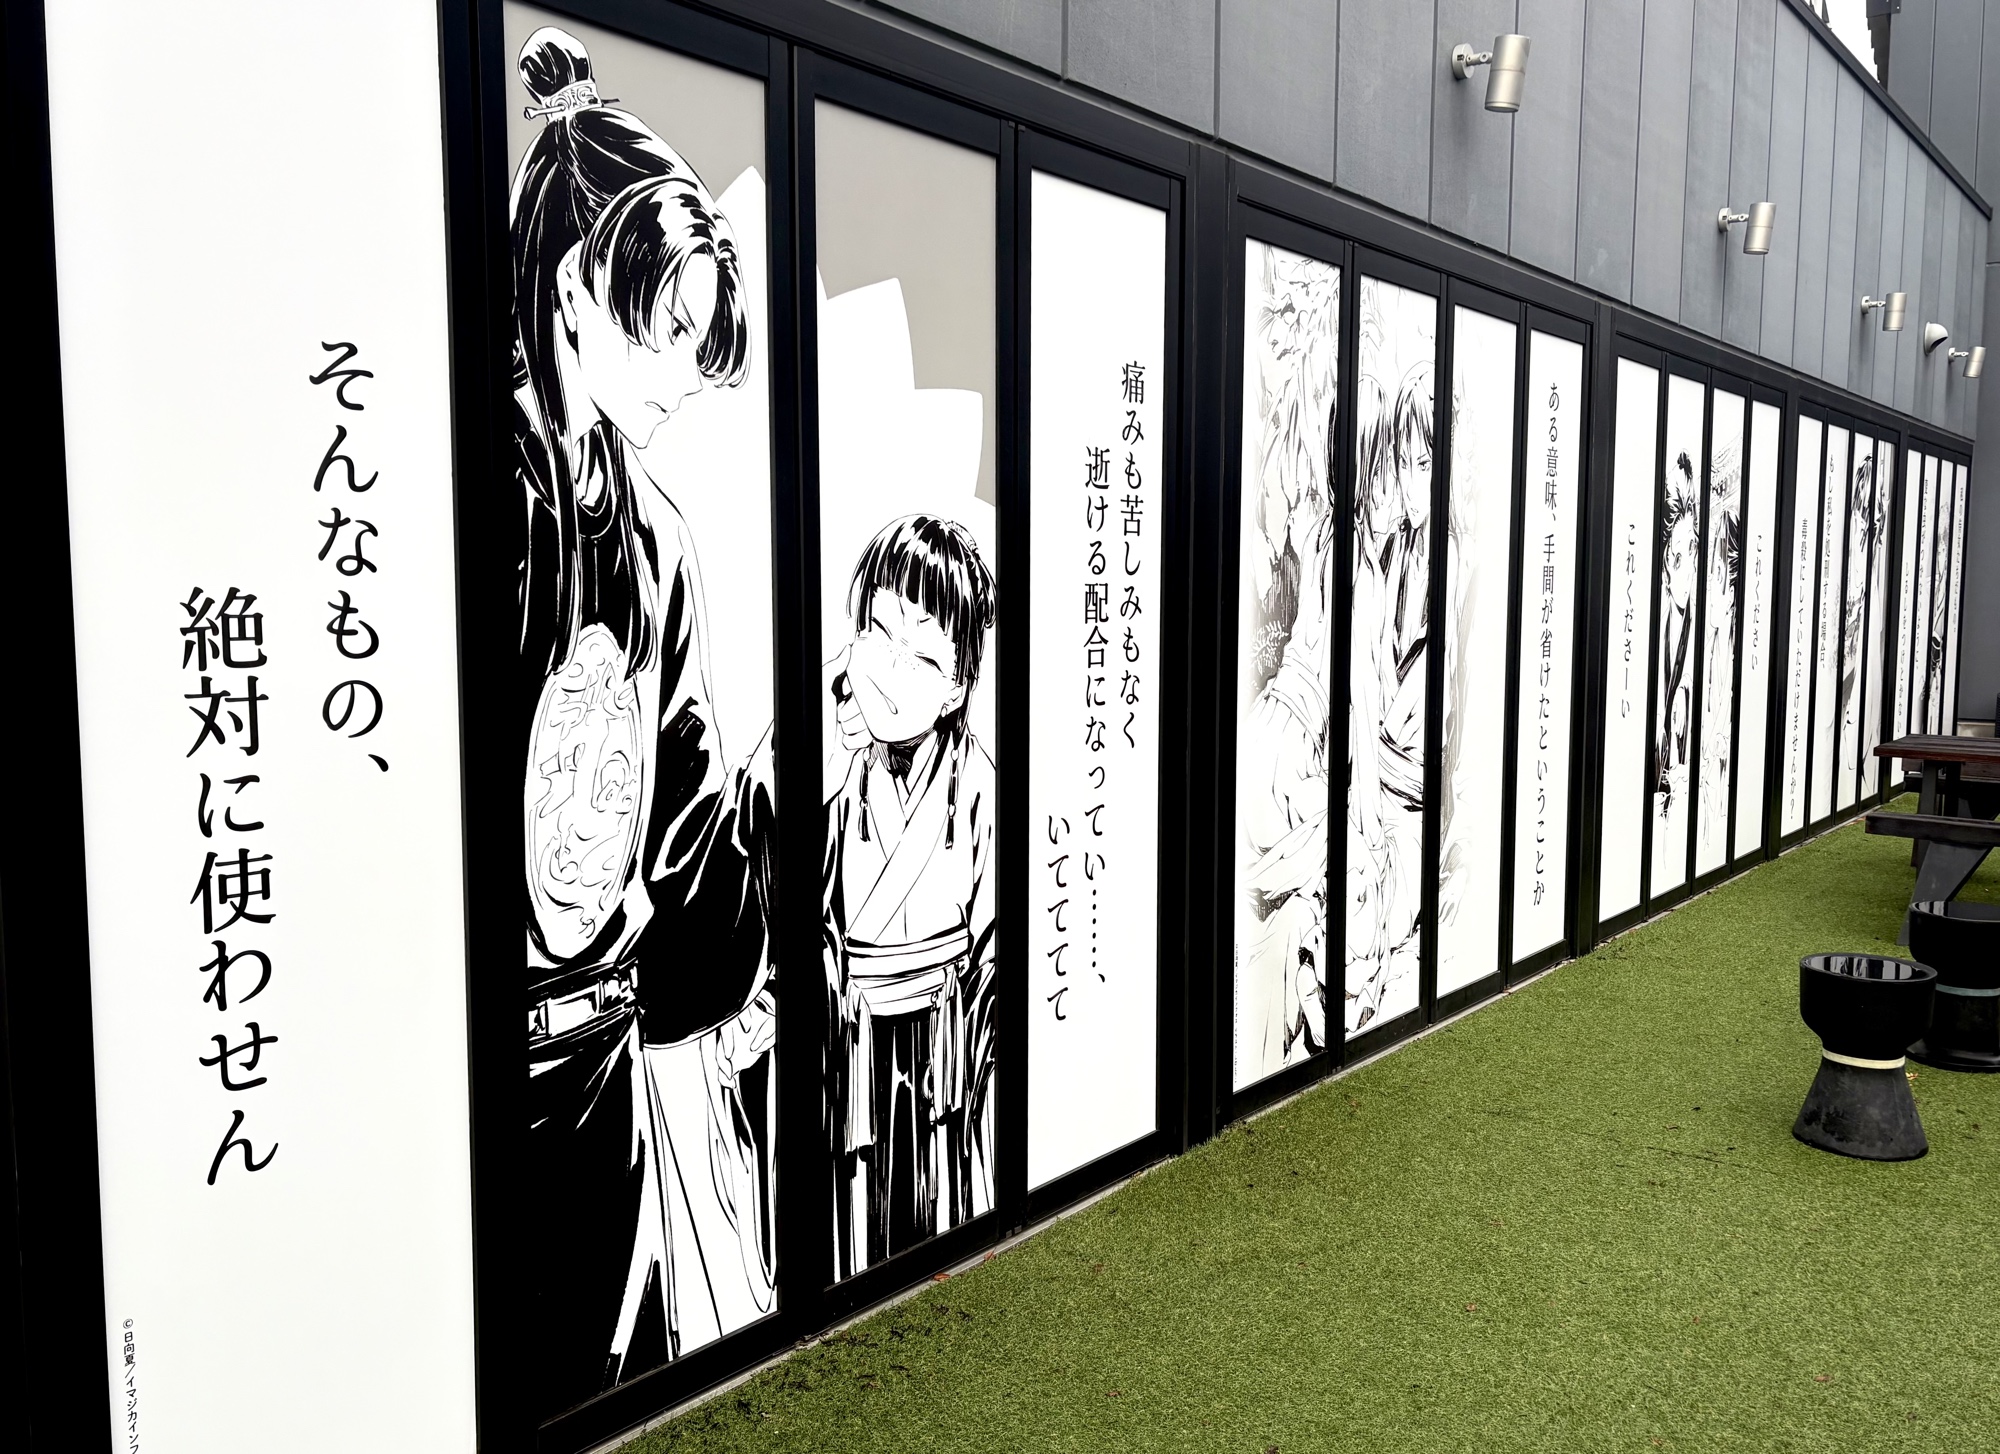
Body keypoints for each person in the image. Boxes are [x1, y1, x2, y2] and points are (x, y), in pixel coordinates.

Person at [511, 26, 775, 1417]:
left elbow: (688, 821)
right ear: (573, 288)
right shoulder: (486, 502)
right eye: (668, 331)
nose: (684, 373)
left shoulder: (653, 534)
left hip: (604, 1063)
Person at [821, 516, 997, 1278]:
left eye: (923, 656)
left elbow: (995, 946)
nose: (891, 671)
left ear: (957, 685)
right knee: (854, 1215)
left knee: (938, 1194)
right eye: (878, 634)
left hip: (942, 1039)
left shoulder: (978, 785)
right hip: (853, 1034)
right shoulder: (831, 771)